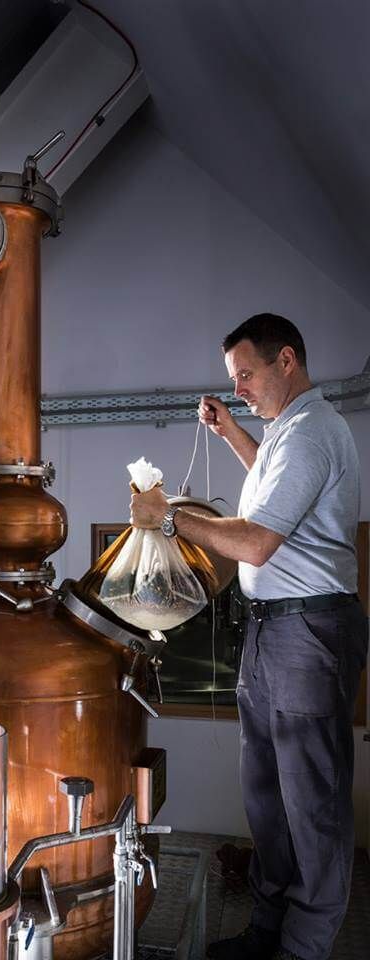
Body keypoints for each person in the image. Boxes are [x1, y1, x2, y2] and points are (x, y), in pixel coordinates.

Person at [130, 313, 368, 960]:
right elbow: (271, 487)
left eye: (246, 376)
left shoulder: (314, 432)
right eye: (233, 380)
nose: (238, 389)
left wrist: (172, 519)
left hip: (308, 628)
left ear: (286, 359)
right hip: (273, 629)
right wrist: (233, 432)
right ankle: (268, 930)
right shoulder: (287, 433)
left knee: (310, 801)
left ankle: (304, 948)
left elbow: (258, 539)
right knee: (267, 794)